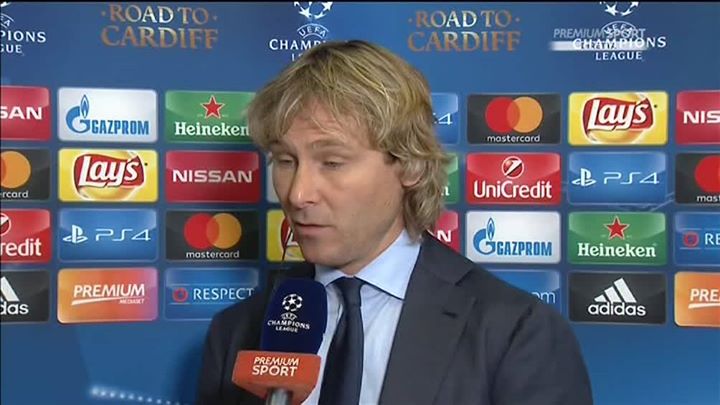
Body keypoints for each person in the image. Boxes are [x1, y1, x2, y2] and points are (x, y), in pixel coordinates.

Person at [196, 39, 593, 405]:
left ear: (410, 165)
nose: (298, 194)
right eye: (285, 161)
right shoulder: (239, 331)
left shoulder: (514, 333)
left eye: (332, 162)